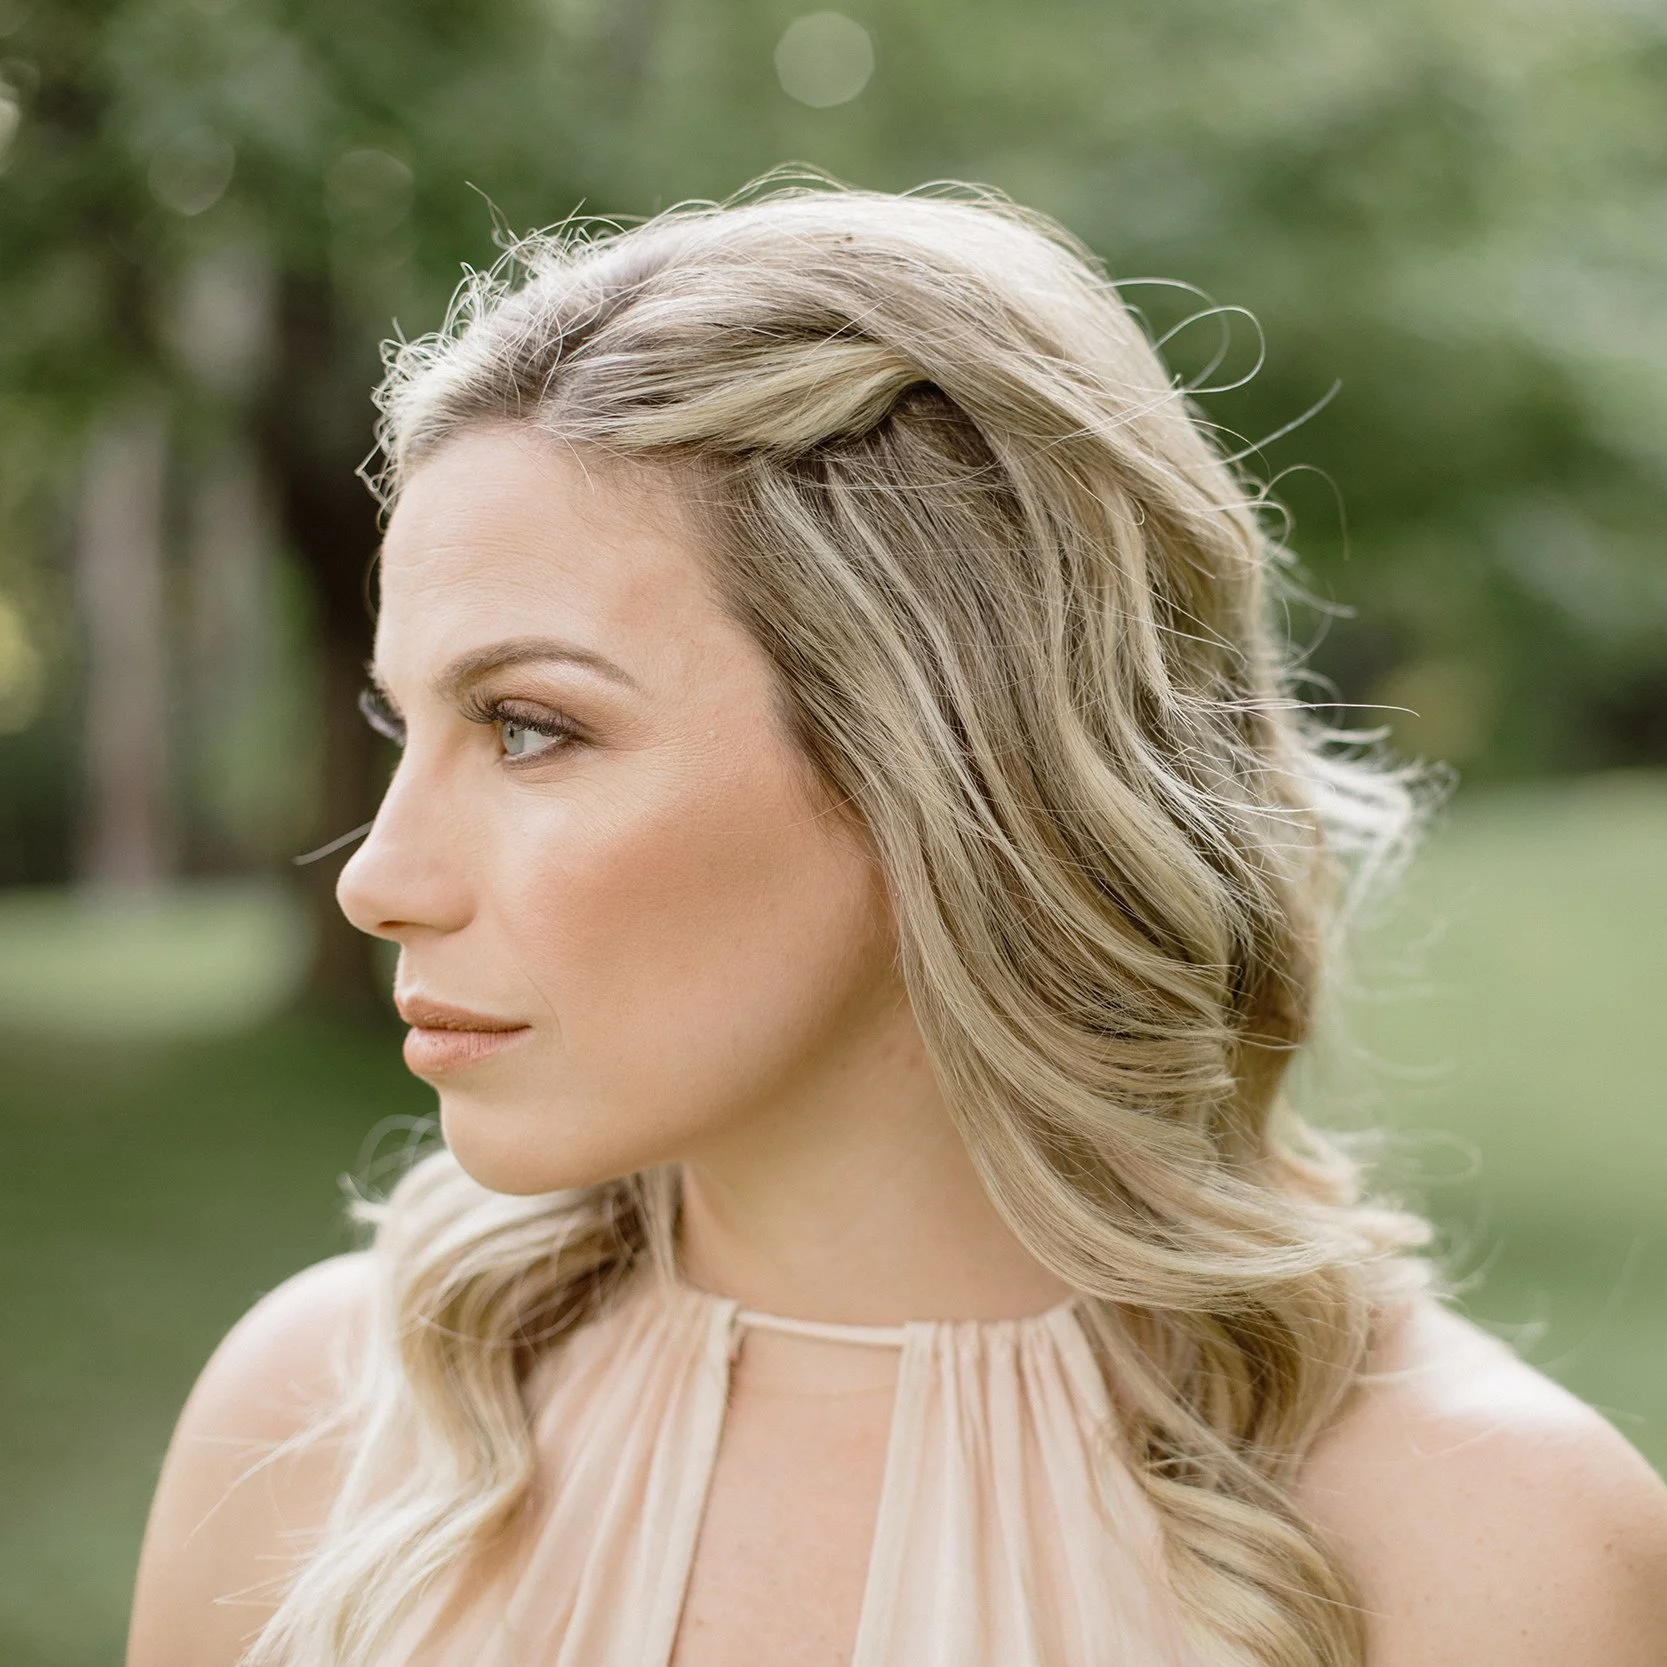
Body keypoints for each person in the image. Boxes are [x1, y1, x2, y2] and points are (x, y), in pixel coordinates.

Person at [126, 181, 1667, 1667]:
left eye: (530, 726)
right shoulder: (313, 1423)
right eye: (410, 728)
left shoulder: (1492, 1550)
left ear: (939, 759)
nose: (377, 875)